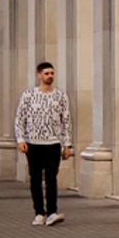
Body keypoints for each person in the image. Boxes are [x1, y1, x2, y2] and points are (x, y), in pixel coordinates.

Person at [13, 61, 74, 227]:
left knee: (51, 177)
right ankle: (39, 212)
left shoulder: (60, 96)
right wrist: (20, 139)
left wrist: (67, 144)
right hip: (33, 143)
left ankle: (52, 212)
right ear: (39, 75)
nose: (50, 76)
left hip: (53, 143)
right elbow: (20, 119)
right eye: (47, 73)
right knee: (35, 179)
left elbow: (66, 120)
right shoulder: (28, 95)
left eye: (52, 73)